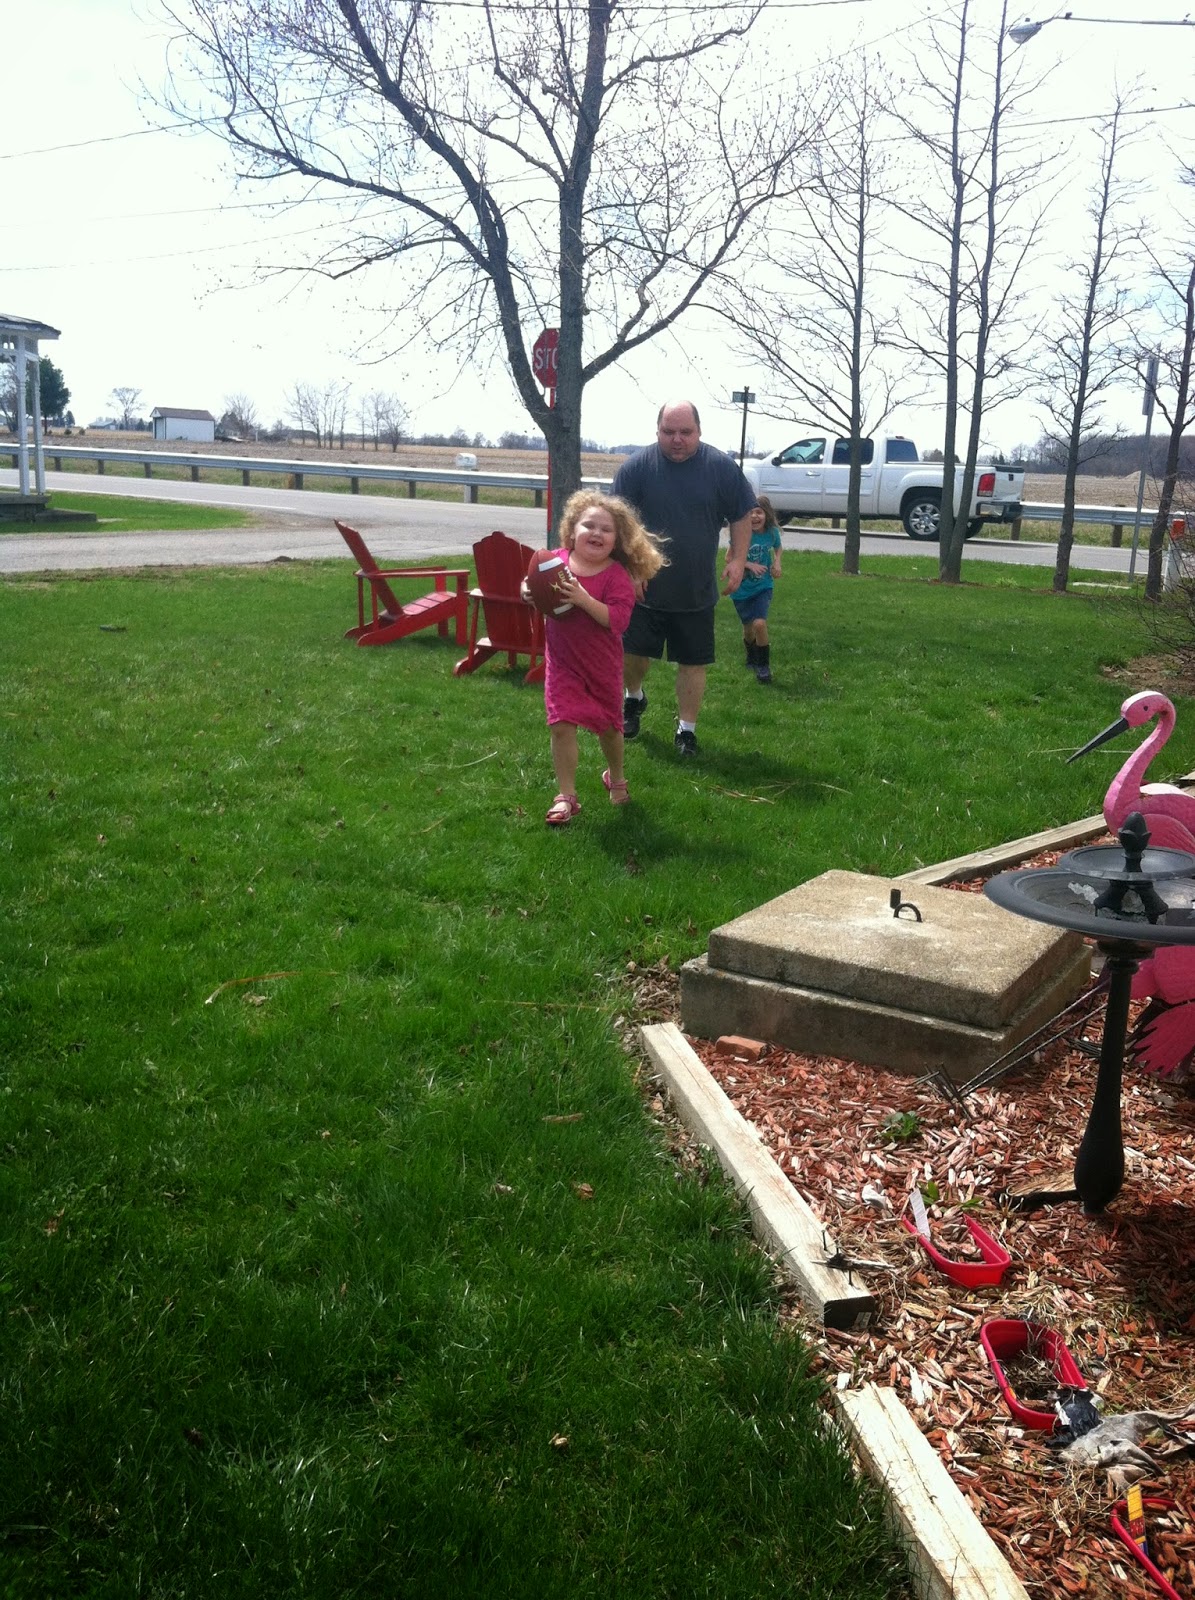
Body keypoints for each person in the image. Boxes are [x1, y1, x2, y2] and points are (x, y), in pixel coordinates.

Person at [612, 399, 758, 758]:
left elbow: (742, 513)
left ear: (699, 431)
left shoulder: (720, 468)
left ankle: (686, 731)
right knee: (632, 654)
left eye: (685, 432)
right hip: (644, 585)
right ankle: (634, 698)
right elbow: (618, 522)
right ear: (657, 431)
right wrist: (630, 569)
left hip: (695, 588)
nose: (677, 439)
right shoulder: (635, 469)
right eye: (669, 432)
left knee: (693, 663)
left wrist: (739, 558)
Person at [534, 490, 666, 827]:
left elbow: (617, 621)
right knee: (561, 724)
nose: (596, 533)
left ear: (617, 540)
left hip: (602, 666)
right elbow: (533, 585)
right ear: (571, 530)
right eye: (588, 525)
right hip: (563, 663)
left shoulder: (616, 576)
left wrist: (582, 598)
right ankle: (566, 796)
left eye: (606, 529)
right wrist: (528, 591)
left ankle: (615, 776)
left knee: (609, 729)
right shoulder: (556, 562)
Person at [733, 494, 783, 684]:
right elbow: (729, 558)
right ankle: (751, 655)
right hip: (742, 589)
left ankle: (763, 666)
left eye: (759, 512)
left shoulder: (772, 533)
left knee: (759, 624)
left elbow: (778, 548)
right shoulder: (741, 535)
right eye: (750, 513)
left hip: (763, 585)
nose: (754, 516)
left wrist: (777, 562)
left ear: (766, 514)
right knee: (748, 629)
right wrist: (749, 565)